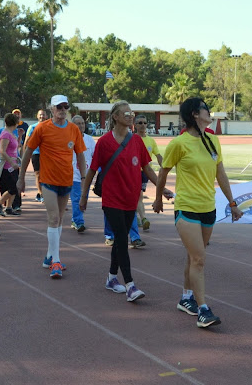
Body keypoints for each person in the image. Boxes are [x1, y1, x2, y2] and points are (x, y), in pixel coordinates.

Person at [153, 97, 241, 328]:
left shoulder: (213, 140)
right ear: (194, 113)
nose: (209, 112)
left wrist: (232, 203)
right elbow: (163, 173)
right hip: (186, 207)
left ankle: (186, 298)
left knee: (194, 256)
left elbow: (221, 174)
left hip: (208, 208)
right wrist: (158, 198)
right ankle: (203, 310)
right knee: (199, 259)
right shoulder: (179, 144)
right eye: (205, 109)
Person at [81, 100, 170, 302]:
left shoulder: (136, 141)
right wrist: (84, 196)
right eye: (126, 113)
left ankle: (112, 278)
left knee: (120, 239)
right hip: (112, 198)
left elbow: (147, 168)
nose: (131, 116)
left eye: (131, 113)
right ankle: (130, 285)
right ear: (115, 117)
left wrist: (161, 188)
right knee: (122, 237)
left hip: (131, 198)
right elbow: (92, 170)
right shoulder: (104, 142)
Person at [17, 94, 87, 278]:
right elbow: (28, 152)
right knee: (54, 218)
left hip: (66, 180)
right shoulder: (42, 128)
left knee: (60, 219)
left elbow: (80, 154)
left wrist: (84, 177)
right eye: (59, 107)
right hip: (48, 181)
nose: (62, 110)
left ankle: (49, 255)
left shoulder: (73, 129)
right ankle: (56, 260)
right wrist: (21, 177)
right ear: (51, 109)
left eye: (65, 107)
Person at [135, 114, 162, 231]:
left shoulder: (151, 141)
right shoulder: (132, 139)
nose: (143, 125)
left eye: (145, 123)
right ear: (135, 125)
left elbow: (158, 155)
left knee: (138, 196)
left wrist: (164, 167)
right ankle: (143, 218)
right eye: (140, 123)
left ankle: (136, 215)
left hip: (145, 173)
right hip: (133, 172)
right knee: (139, 195)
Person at [69, 115, 95, 232]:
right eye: (78, 124)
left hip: (86, 175)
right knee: (76, 198)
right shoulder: (69, 139)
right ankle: (79, 221)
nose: (81, 126)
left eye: (83, 123)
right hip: (73, 174)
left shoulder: (90, 140)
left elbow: (95, 155)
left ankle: (75, 218)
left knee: (83, 198)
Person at [0, 113, 21, 216]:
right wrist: (11, 162)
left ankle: (9, 207)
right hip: (7, 165)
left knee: (16, 187)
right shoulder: (5, 134)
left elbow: (15, 147)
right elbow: (2, 150)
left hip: (14, 164)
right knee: (12, 188)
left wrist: (20, 136)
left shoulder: (11, 133)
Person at [22, 109, 48, 202]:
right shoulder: (32, 127)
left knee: (47, 174)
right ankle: (40, 193)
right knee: (38, 174)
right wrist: (25, 155)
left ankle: (46, 192)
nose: (42, 116)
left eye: (43, 115)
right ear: (37, 116)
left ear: (46, 116)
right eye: (40, 115)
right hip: (36, 153)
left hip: (47, 154)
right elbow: (26, 141)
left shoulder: (50, 127)